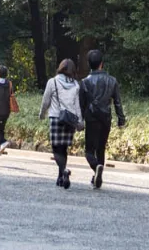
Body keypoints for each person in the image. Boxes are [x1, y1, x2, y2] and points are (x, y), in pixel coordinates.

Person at [80, 48, 126, 188]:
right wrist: (121, 118)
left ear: (89, 64)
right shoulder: (112, 81)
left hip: (91, 118)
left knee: (89, 150)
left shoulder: (85, 82)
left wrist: (80, 120)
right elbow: (117, 101)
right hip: (106, 117)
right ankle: (98, 176)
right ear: (102, 63)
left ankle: (96, 167)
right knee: (101, 148)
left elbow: (82, 104)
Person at [39, 58, 84, 189]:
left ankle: (63, 170)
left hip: (55, 118)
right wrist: (80, 121)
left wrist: (42, 114)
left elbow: (46, 101)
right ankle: (60, 177)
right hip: (70, 120)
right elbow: (77, 105)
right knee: (63, 148)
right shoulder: (76, 85)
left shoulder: (52, 82)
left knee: (56, 148)